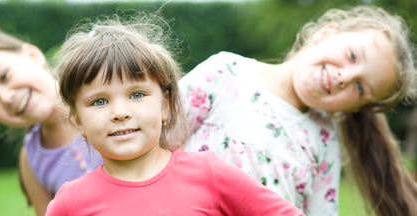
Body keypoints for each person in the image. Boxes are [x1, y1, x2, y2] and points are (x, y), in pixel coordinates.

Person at [45, 11, 305, 216]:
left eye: (137, 95)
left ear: (165, 106)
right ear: (78, 122)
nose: (120, 112)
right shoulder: (70, 203)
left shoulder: (210, 173)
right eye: (99, 101)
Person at [180, 5, 417, 216]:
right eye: (352, 55)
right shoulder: (225, 74)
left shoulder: (323, 144)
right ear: (325, 33)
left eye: (359, 87)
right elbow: (155, 141)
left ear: (352, 108)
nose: (345, 76)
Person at [0, 29, 103, 216]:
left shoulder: (112, 106)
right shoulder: (31, 159)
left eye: (4, 76)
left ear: (33, 55)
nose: (5, 97)